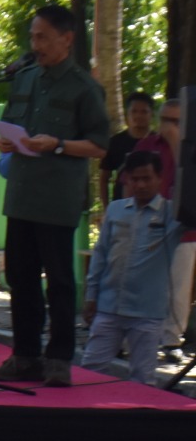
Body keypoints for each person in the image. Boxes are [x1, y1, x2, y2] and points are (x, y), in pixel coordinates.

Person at [0, 4, 109, 388]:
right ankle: (24, 355)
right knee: (20, 278)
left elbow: (98, 145)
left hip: (56, 199)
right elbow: (13, 124)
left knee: (58, 282)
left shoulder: (84, 87)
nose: (35, 44)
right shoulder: (24, 79)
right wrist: (6, 141)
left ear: (67, 39)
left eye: (42, 36)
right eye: (32, 36)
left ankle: (58, 358)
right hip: (22, 195)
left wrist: (57, 144)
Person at [80, 150, 191, 385]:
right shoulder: (116, 210)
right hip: (109, 307)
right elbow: (100, 254)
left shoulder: (173, 214)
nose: (141, 185)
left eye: (147, 178)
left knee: (142, 380)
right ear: (127, 179)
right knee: (90, 371)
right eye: (135, 179)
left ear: (160, 178)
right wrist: (91, 296)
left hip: (147, 314)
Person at [122, 97, 193, 362]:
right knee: (141, 283)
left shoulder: (190, 147)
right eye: (165, 120)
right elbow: (128, 182)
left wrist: (177, 143)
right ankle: (134, 338)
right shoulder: (147, 145)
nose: (168, 126)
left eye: (175, 121)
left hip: (183, 228)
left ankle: (171, 340)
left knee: (178, 286)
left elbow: (188, 177)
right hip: (147, 225)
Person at [100, 92, 156, 207]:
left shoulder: (160, 142)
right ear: (127, 114)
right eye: (134, 111)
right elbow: (104, 179)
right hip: (122, 207)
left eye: (144, 112)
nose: (138, 116)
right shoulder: (115, 142)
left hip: (154, 207)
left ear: (152, 114)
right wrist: (107, 209)